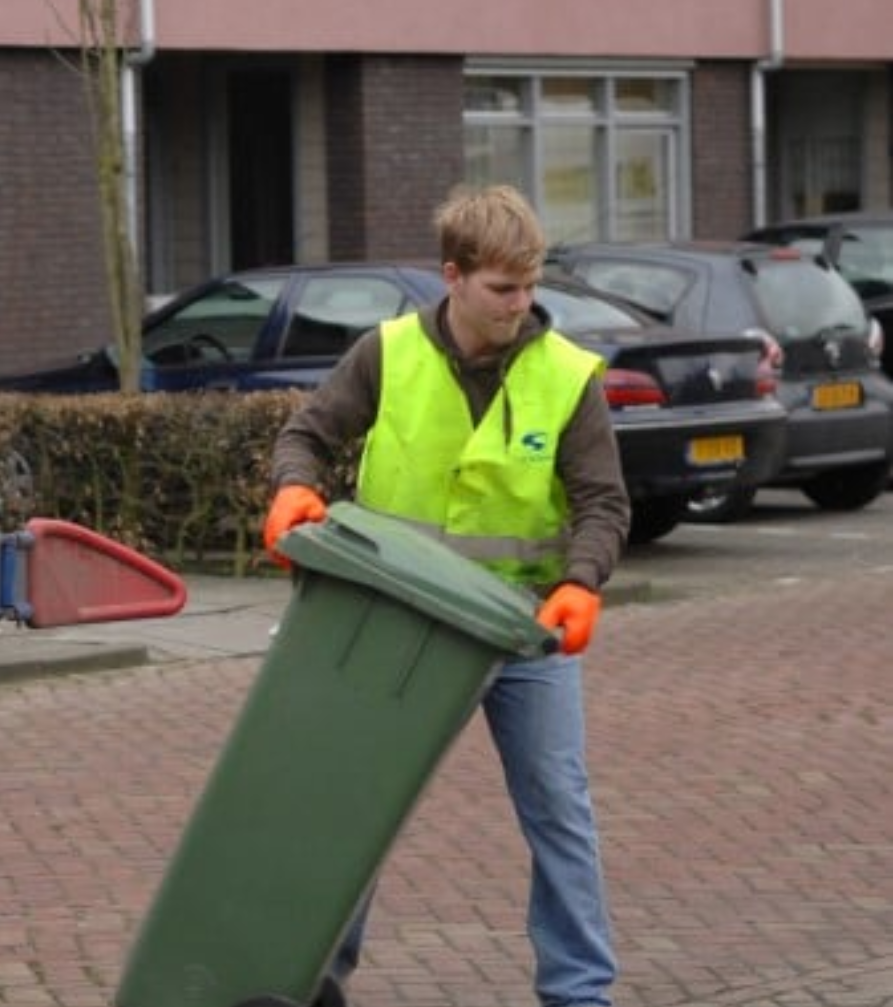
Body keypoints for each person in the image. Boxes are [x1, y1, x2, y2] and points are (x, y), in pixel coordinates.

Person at [262, 183, 630, 1007]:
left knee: (559, 814)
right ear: (453, 277)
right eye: (504, 289)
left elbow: (604, 503)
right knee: (359, 810)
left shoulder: (567, 376)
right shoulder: (386, 354)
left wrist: (581, 581)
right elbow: (306, 434)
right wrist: (293, 489)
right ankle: (316, 981)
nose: (522, 305)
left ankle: (580, 995)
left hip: (521, 629)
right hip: (402, 625)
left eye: (532, 286)